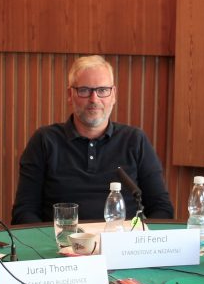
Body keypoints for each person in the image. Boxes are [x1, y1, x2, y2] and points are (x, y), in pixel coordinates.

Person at [11, 55, 174, 224]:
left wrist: (137, 237)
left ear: (113, 95)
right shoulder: (44, 141)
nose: (94, 99)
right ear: (70, 94)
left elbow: (161, 208)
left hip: (122, 238)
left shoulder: (135, 140)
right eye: (84, 90)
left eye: (102, 90)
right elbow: (24, 212)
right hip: (61, 239)